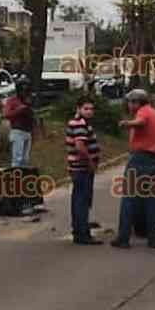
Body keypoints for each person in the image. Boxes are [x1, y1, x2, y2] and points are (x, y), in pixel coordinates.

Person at [111, 89, 155, 249]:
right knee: (152, 200)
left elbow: (141, 122)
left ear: (136, 102)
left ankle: (123, 238)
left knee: (129, 198)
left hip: (140, 159)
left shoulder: (143, 112)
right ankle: (153, 238)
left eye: (130, 102)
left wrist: (126, 124)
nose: (128, 106)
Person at [65, 96, 103, 245]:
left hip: (79, 167)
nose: (89, 111)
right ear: (78, 109)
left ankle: (79, 230)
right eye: (86, 109)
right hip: (82, 168)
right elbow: (80, 146)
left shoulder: (82, 123)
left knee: (79, 200)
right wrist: (90, 162)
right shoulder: (80, 124)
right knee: (82, 201)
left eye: (91, 109)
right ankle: (82, 233)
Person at [4, 80, 34, 167]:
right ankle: (15, 173)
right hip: (17, 131)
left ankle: (24, 173)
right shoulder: (12, 100)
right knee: (17, 158)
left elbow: (32, 115)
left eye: (26, 90)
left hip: (28, 131)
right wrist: (19, 109)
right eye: (22, 90)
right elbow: (7, 114)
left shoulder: (28, 99)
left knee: (25, 159)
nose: (24, 92)